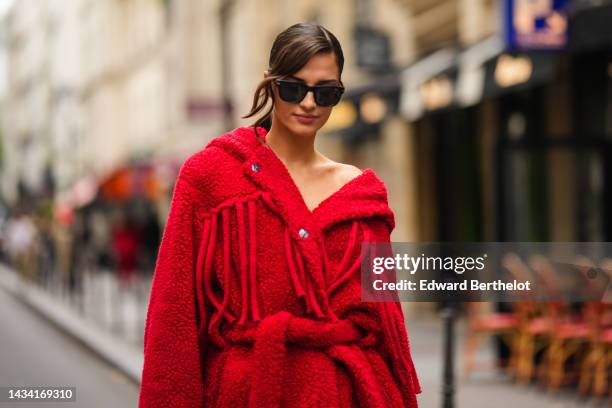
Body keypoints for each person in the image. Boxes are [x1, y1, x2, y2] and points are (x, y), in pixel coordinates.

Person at [139, 22, 421, 408]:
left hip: (347, 394)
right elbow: (174, 322)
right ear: (269, 83)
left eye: (325, 92)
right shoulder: (209, 177)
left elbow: (388, 327)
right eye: (293, 87)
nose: (308, 103)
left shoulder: (362, 194)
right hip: (249, 393)